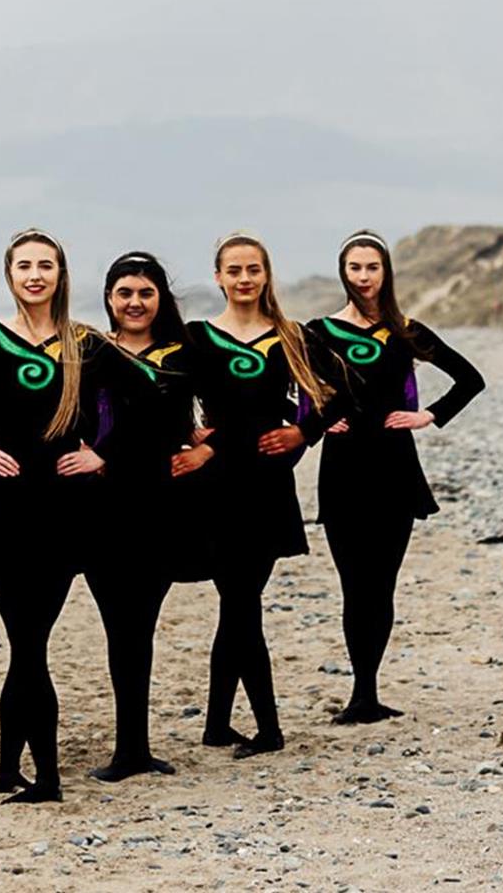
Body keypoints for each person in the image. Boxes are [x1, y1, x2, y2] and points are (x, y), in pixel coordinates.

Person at [0, 229, 139, 804]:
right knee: (24, 644)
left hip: (68, 513)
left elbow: (146, 400)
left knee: (29, 644)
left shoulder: (85, 345)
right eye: (25, 266)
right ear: (10, 276)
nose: (35, 274)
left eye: (46, 265)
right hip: (5, 512)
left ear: (61, 276)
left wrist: (104, 452)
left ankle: (40, 777)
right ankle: (16, 770)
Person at [171, 233, 348, 759]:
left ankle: (242, 727)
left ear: (266, 275)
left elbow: (343, 392)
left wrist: (303, 433)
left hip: (268, 487)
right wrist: (193, 438)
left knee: (241, 604)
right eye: (234, 270)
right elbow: (167, 393)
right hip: (217, 487)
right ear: (219, 276)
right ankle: (242, 726)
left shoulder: (291, 336)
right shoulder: (198, 338)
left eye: (254, 270)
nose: (245, 279)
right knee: (240, 604)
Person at [306, 230, 483, 724]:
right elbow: (288, 386)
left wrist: (428, 414)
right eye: (355, 268)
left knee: (381, 584)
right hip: (342, 468)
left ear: (386, 273)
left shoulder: (405, 330)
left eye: (372, 267)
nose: (363, 277)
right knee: (352, 584)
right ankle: (358, 694)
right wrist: (317, 417)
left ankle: (367, 692)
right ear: (344, 272)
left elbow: (470, 379)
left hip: (394, 467)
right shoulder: (317, 332)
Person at [85, 251, 194, 781]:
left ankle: (137, 748)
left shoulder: (183, 352)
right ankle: (126, 749)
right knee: (116, 627)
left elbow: (232, 409)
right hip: (102, 509)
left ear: (160, 299)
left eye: (145, 293)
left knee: (142, 628)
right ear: (109, 298)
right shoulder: (89, 352)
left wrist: (207, 450)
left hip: (160, 504)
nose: (135, 303)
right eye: (125, 293)